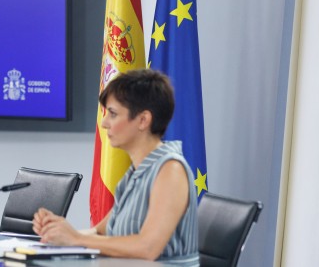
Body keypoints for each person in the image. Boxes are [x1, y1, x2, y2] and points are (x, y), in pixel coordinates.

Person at [32, 69, 199, 265]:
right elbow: (101, 230)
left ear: (143, 120)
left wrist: (76, 239)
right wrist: (59, 232)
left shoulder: (170, 170)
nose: (104, 123)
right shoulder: (136, 171)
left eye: (113, 114)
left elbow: (147, 248)